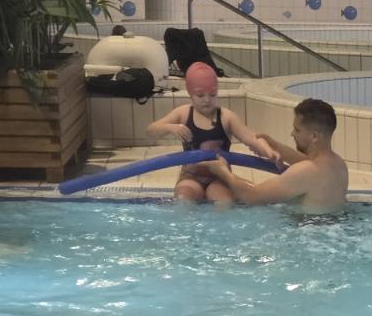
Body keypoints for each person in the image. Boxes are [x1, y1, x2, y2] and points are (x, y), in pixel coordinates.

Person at [146, 62, 281, 206]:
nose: (206, 100)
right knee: (183, 200)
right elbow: (151, 132)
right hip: (191, 176)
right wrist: (169, 127)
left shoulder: (226, 117)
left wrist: (269, 152)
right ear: (190, 94)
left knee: (223, 203)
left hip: (220, 177)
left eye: (212, 94)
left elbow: (251, 138)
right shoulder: (183, 114)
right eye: (200, 95)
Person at [200, 98, 349, 213]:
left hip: (306, 234)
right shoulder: (339, 165)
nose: (292, 134)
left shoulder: (306, 171)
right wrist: (276, 146)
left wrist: (223, 172)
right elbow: (309, 162)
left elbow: (252, 197)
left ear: (315, 136)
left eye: (297, 130)